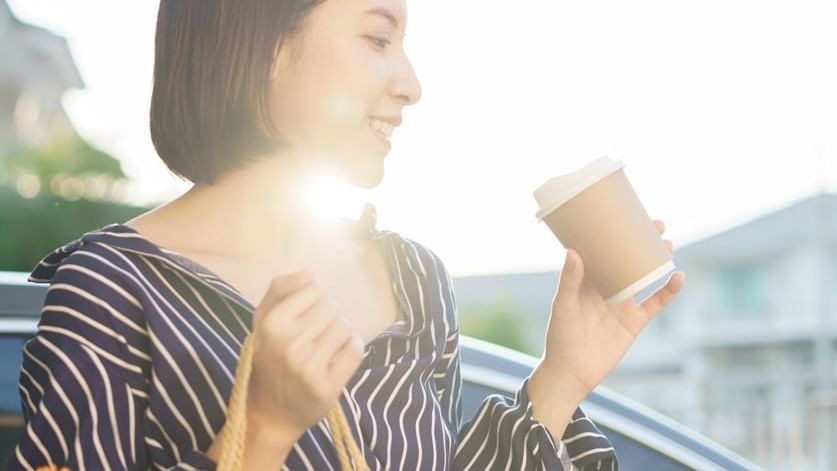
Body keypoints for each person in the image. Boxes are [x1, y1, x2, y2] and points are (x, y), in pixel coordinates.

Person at [10, 0, 685, 469]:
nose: (411, 83)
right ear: (268, 47)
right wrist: (265, 429)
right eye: (376, 38)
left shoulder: (412, 279)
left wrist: (562, 376)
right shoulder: (110, 290)